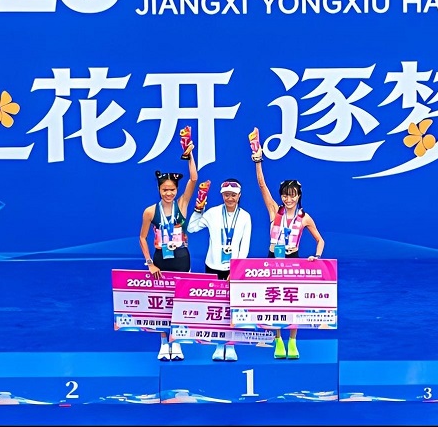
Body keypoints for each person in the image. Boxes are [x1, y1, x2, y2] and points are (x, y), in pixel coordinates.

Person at [251, 145, 325, 360]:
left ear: (299, 195)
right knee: (274, 300)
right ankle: (277, 339)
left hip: (293, 260)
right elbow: (262, 184)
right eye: (285, 195)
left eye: (292, 195)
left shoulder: (305, 217)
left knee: (293, 301)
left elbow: (320, 240)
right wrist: (258, 162)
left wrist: (317, 256)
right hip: (273, 258)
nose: (288, 199)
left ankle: (292, 341)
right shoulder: (274, 210)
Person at [138, 141, 197, 361]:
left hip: (182, 259)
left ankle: (177, 341)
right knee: (162, 302)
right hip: (160, 260)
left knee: (180, 301)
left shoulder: (182, 205)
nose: (169, 193)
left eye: (172, 190)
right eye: (165, 190)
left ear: (177, 190)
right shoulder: (150, 211)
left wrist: (190, 156)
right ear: (159, 190)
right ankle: (164, 342)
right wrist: (149, 263)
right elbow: (142, 237)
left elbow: (193, 179)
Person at [188, 178, 253, 362]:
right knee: (216, 308)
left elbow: (244, 247)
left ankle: (230, 345)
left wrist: (236, 270)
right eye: (226, 195)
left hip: (233, 269)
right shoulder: (212, 213)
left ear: (239, 196)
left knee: (233, 307)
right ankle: (218, 344)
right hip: (213, 266)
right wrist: (198, 208)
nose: (229, 198)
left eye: (233, 195)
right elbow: (191, 228)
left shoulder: (245, 217)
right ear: (222, 195)